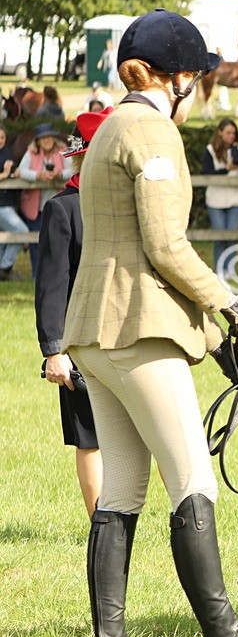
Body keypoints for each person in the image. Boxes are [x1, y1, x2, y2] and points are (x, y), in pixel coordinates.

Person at [62, 8, 238, 637]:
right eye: (198, 76)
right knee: (194, 479)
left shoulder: (112, 125)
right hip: (139, 330)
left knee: (120, 488)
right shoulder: (155, 131)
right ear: (180, 78)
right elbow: (166, 246)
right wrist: (229, 303)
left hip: (92, 330)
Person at [36, 107, 114, 517]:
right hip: (81, 344)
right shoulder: (62, 209)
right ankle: (101, 524)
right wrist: (54, 351)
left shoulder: (128, 205)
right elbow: (51, 286)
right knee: (91, 437)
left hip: (128, 336)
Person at [18, 123, 72, 278]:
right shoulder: (31, 153)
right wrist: (38, 175)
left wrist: (59, 174)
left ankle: (57, 275)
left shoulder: (63, 151)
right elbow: (21, 171)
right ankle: (37, 275)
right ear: (38, 141)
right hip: (35, 206)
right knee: (36, 241)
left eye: (49, 136)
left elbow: (73, 169)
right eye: (43, 138)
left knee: (58, 240)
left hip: (58, 205)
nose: (47, 140)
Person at [200, 119, 238, 278]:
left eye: (234, 133)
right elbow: (207, 173)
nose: (231, 136)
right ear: (219, 132)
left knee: (232, 236)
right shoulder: (210, 149)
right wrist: (225, 171)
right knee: (220, 236)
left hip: (236, 199)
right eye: (228, 132)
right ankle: (220, 269)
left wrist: (232, 148)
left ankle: (231, 269)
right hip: (216, 200)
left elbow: (237, 160)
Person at [0, 126, 30, 280]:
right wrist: (5, 174)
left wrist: (14, 173)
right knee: (21, 231)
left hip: (8, 203)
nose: (0, 141)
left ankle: (2, 268)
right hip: (1, 206)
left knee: (6, 237)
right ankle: (5, 267)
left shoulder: (6, 153)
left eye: (2, 137)